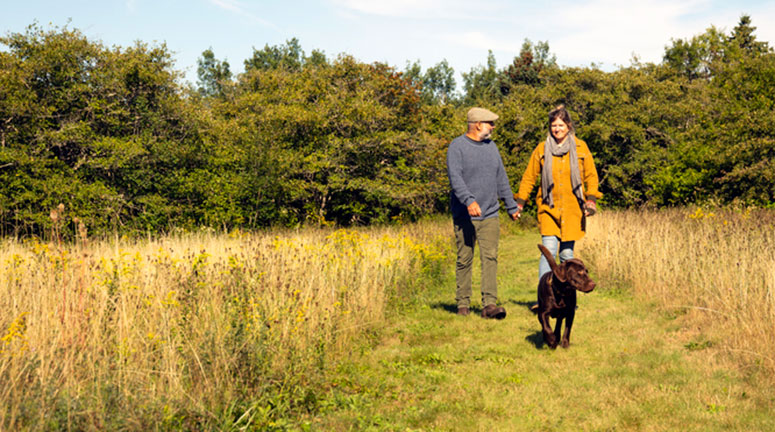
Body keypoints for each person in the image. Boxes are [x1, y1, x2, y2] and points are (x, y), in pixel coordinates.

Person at [513, 105, 601, 310]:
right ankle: (544, 298)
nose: (557, 129)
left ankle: (567, 300)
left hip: (572, 210)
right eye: (554, 125)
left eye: (561, 125)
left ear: (568, 126)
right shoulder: (541, 149)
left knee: (567, 256)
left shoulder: (580, 148)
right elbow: (529, 177)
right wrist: (520, 202)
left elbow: (591, 175)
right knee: (549, 252)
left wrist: (591, 200)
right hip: (548, 209)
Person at [446, 107, 520, 319]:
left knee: (490, 257)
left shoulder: (492, 147)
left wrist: (511, 207)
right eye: (490, 123)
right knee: (464, 258)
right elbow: (455, 179)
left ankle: (489, 305)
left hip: (490, 213)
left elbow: (501, 179)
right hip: (465, 214)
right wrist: (469, 200)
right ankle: (462, 304)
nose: (493, 127)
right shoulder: (457, 147)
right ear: (478, 125)